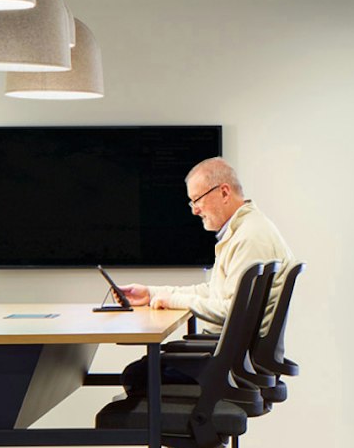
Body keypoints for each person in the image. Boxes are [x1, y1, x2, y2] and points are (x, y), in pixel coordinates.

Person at [114, 157, 295, 400]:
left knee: (137, 375)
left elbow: (233, 310)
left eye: (197, 200)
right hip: (232, 356)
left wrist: (174, 301)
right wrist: (152, 293)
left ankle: (198, 430)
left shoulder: (250, 238)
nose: (195, 209)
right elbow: (216, 292)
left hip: (232, 365)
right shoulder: (245, 230)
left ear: (223, 192)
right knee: (144, 369)